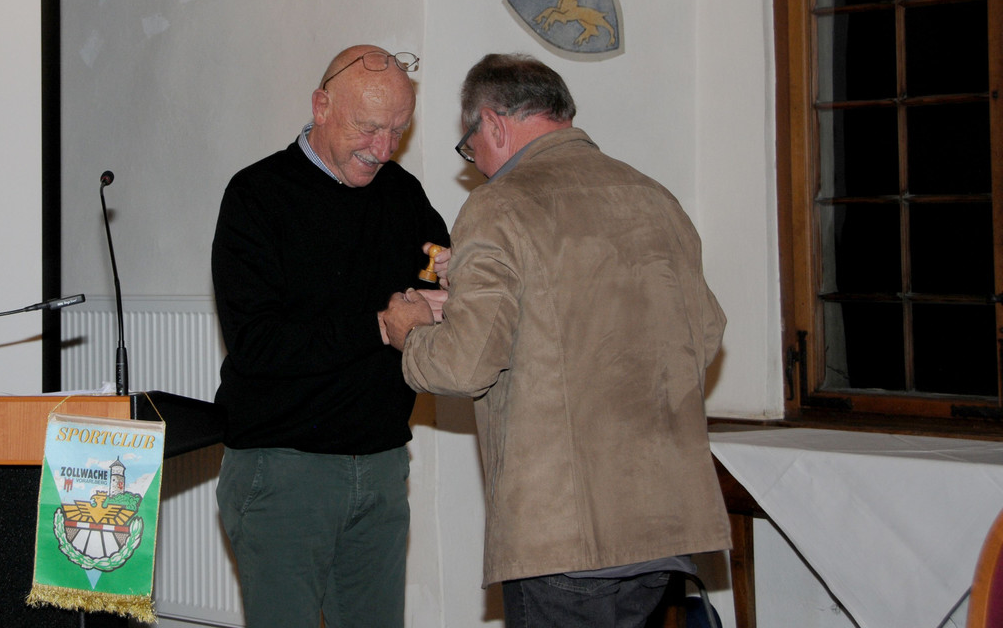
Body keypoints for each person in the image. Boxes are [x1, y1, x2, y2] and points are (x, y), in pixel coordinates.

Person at [380, 53, 731, 628]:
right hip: (659, 526)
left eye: (471, 148)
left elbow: (465, 367)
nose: (478, 165)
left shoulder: (500, 205)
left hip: (563, 532)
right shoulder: (653, 197)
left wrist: (412, 331)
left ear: (494, 124)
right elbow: (702, 333)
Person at [211, 44, 450, 628]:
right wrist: (378, 325)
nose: (383, 149)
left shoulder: (403, 193)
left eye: (397, 130)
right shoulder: (257, 195)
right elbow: (256, 343)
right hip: (283, 469)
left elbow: (431, 282)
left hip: (383, 463)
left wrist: (455, 284)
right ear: (321, 106)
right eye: (368, 128)